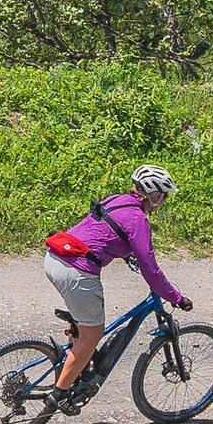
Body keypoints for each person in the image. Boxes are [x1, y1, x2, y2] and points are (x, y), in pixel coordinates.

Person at [42, 164, 190, 411]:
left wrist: (124, 253)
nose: (163, 201)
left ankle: (74, 359)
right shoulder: (138, 220)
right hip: (77, 272)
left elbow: (104, 230)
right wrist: (175, 297)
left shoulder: (117, 200)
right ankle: (59, 395)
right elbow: (150, 269)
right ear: (154, 195)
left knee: (84, 320)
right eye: (163, 196)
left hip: (55, 259)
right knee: (93, 335)